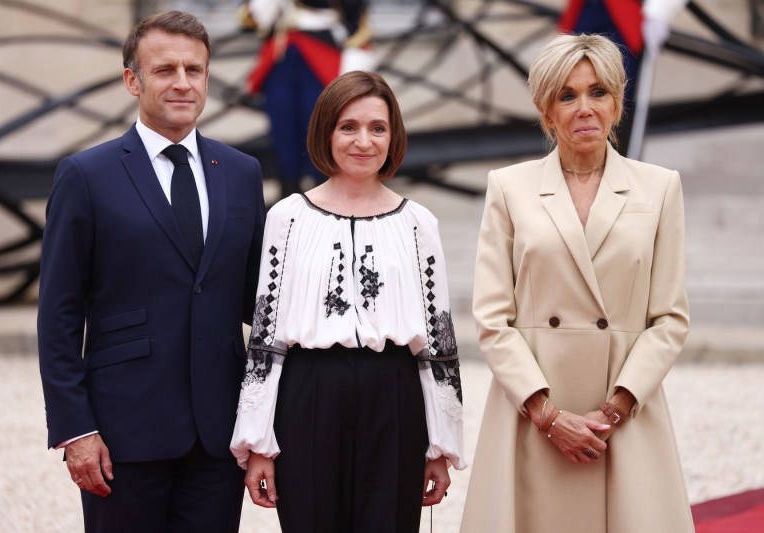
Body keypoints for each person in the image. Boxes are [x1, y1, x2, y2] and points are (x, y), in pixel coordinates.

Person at [37, 11, 265, 533]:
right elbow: (58, 316)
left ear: (208, 78)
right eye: (165, 70)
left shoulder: (241, 172)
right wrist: (75, 429)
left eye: (194, 69)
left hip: (218, 435)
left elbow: (261, 302)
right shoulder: (85, 175)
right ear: (132, 80)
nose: (182, 83)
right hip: (121, 434)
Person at [460, 34, 693, 532]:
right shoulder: (509, 187)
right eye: (567, 96)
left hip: (623, 418)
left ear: (617, 104)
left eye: (597, 93)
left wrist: (616, 407)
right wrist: (548, 416)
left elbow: (669, 317)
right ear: (546, 112)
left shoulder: (660, 187)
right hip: (534, 414)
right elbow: (492, 318)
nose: (583, 108)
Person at [230, 70, 466, 533]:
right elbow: (265, 337)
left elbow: (439, 343)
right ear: (326, 132)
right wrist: (258, 442)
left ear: (394, 135)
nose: (364, 141)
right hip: (308, 395)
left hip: (394, 397)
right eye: (348, 127)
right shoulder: (287, 218)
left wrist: (440, 446)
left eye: (377, 127)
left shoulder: (419, 224)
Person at [239, 0, 373, 199]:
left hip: (321, 56)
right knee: (283, 134)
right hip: (281, 58)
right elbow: (252, 20)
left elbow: (356, 21)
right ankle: (288, 197)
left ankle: (324, 199)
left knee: (321, 133)